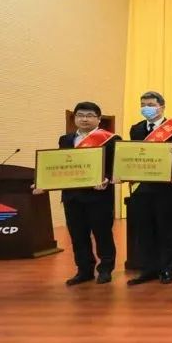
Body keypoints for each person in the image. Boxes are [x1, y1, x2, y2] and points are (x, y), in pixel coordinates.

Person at [38, 102, 120, 285]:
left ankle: (105, 269)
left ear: (98, 119)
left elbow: (116, 165)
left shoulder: (111, 139)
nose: (84, 119)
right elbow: (60, 164)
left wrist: (107, 178)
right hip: (72, 196)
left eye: (89, 115)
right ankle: (84, 270)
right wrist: (44, 182)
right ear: (75, 118)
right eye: (80, 115)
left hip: (99, 196)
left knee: (102, 234)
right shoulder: (65, 140)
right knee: (78, 236)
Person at [124, 91, 172, 285]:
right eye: (143, 104)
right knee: (144, 230)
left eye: (151, 104)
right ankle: (148, 269)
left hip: (165, 187)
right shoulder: (136, 129)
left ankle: (168, 268)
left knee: (166, 230)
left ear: (162, 106)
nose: (146, 108)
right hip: (142, 187)